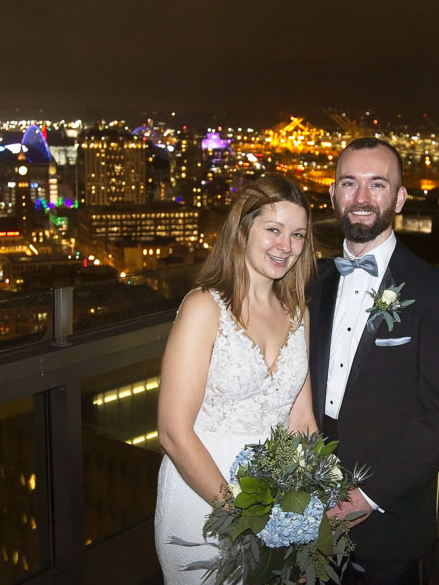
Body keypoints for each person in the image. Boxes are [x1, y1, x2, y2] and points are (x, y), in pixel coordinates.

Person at [307, 137, 439, 584]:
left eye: (377, 184)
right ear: (332, 195)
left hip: (387, 528)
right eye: (349, 183)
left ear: (399, 198)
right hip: (304, 512)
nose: (361, 198)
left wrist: (367, 497)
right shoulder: (312, 283)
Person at [154, 175, 320, 583]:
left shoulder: (299, 313)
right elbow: (173, 432)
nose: (286, 246)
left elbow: (302, 423)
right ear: (243, 229)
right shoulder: (203, 308)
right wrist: (242, 518)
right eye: (274, 230)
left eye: (297, 235)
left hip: (276, 507)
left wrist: (317, 509)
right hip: (202, 504)